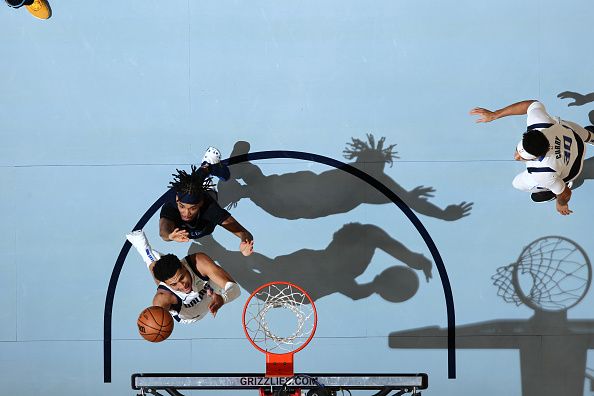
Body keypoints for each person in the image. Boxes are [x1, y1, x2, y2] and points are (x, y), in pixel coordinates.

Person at [471, 100, 594, 215]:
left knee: (518, 183)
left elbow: (566, 193)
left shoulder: (542, 172)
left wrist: (561, 204)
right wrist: (495, 114)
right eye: (518, 152)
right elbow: (531, 104)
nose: (516, 157)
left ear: (537, 157)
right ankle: (591, 136)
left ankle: (550, 190)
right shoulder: (540, 122)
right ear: (530, 133)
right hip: (576, 139)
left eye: (523, 158)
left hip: (573, 169)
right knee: (558, 122)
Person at [127, 230, 240, 323]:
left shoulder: (199, 262)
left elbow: (235, 289)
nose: (182, 285)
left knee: (161, 268)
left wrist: (223, 298)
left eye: (182, 277)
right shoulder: (162, 297)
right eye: (174, 284)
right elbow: (158, 321)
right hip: (189, 314)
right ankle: (144, 248)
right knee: (157, 271)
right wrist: (156, 324)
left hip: (212, 291)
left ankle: (144, 248)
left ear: (184, 266)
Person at [160, 147, 254, 256]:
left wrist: (245, 240)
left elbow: (244, 232)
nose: (186, 213)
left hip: (208, 194)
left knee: (204, 184)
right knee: (190, 185)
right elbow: (163, 231)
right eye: (182, 207)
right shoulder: (171, 206)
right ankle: (206, 168)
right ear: (177, 201)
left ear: (200, 204)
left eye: (193, 208)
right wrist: (170, 236)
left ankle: (208, 165)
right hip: (195, 208)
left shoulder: (211, 209)